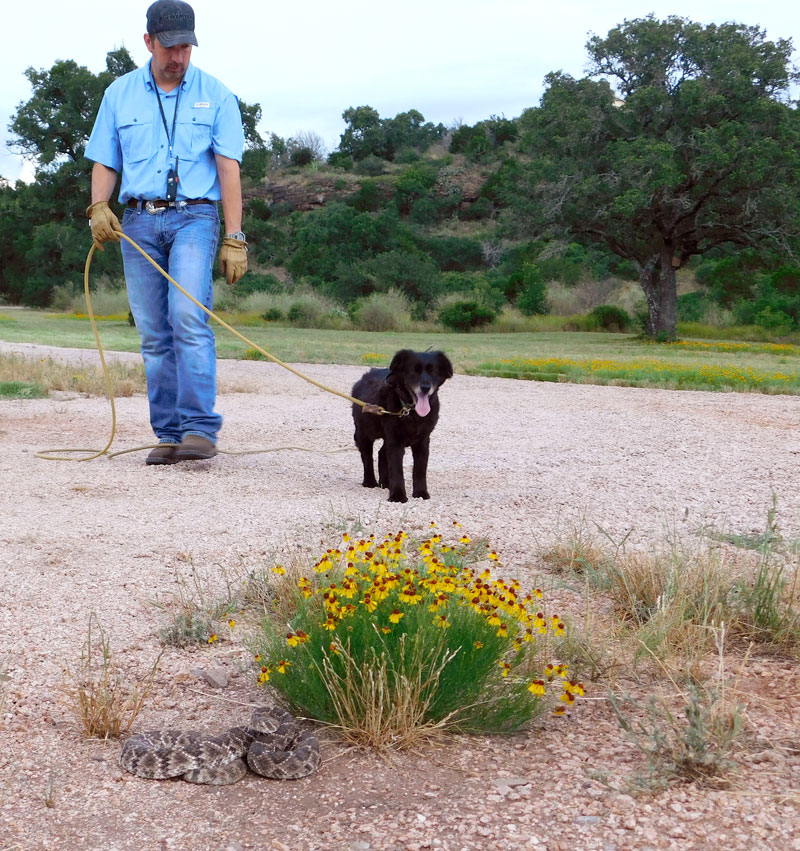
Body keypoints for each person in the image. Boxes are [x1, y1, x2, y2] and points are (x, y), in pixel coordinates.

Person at [85, 0, 247, 465]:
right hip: (136, 221)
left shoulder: (217, 95)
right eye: (170, 46)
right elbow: (105, 159)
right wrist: (99, 207)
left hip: (195, 218)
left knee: (187, 317)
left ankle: (198, 429)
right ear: (149, 41)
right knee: (154, 331)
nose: (178, 56)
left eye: (186, 47)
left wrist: (235, 237)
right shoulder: (119, 94)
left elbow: (228, 169)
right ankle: (169, 433)